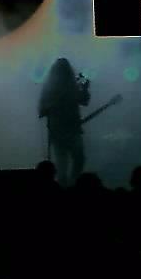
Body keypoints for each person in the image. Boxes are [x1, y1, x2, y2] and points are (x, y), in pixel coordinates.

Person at [38, 58, 90, 187]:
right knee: (65, 163)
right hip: (60, 131)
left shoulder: (70, 86)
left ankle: (71, 184)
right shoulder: (52, 88)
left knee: (75, 159)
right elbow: (42, 110)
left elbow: (84, 100)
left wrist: (84, 88)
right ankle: (68, 185)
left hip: (68, 130)